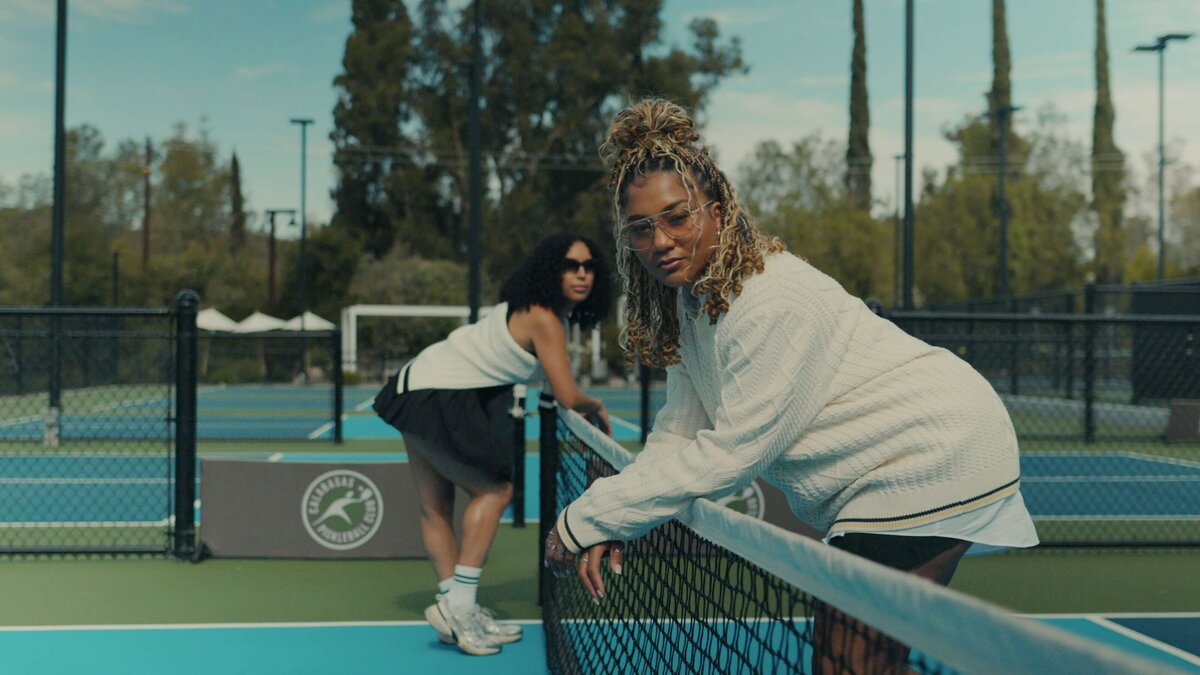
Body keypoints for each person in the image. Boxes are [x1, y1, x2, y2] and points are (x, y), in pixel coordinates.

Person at [542, 99, 1038, 672]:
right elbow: (680, 433)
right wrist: (613, 517)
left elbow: (732, 454)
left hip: (933, 454)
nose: (661, 241)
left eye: (678, 217)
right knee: (860, 658)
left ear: (718, 209)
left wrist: (589, 517)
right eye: (641, 228)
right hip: (881, 477)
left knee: (846, 661)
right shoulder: (694, 303)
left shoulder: (768, 299)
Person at [375, 233, 612, 656]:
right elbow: (567, 393)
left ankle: (455, 610)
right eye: (571, 265)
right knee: (495, 490)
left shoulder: (529, 309)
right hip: (440, 394)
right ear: (549, 270)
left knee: (436, 506)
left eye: (589, 266)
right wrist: (595, 406)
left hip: (415, 385)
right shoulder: (544, 317)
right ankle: (460, 606)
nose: (581, 273)